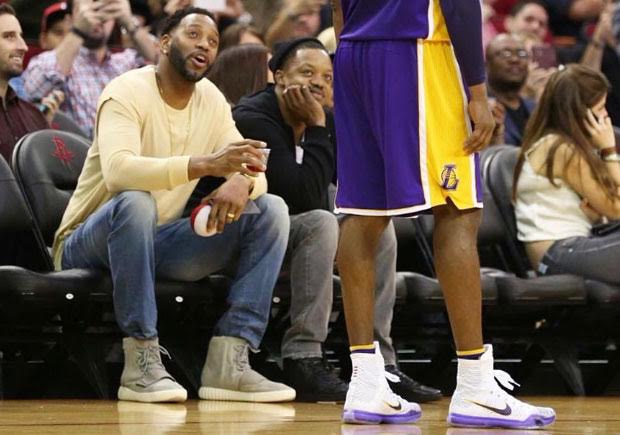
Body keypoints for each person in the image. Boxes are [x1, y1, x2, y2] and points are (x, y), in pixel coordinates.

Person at [331, 0, 555, 428]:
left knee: (363, 213)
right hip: (419, 52)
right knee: (457, 210)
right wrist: (476, 92)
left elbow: (337, 8)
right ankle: (474, 384)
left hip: (354, 53)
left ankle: (366, 380)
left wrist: (350, 48)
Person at [53, 7, 295, 404]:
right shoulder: (126, 90)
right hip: (85, 243)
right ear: (164, 43)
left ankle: (229, 360)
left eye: (213, 41)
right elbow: (118, 173)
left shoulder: (211, 100)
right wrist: (207, 165)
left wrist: (241, 180)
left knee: (270, 210)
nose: (205, 45)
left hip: (156, 241)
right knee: (134, 200)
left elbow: (255, 168)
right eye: (194, 35)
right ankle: (142, 360)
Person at [232, 37, 442, 403]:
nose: (319, 84)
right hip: (248, 238)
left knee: (378, 226)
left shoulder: (326, 120)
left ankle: (378, 362)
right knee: (321, 221)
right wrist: (316, 125)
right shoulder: (253, 117)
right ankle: (303, 355)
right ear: (279, 77)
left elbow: (357, 183)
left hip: (300, 240)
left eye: (328, 78)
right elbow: (301, 196)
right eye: (307, 72)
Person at [514, 65, 620, 283]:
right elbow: (616, 208)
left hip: (575, 246)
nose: (606, 115)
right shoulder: (560, 149)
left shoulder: (558, 144)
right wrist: (609, 151)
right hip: (557, 254)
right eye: (600, 108)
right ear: (580, 112)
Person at [22, 0, 159, 137]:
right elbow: (31, 91)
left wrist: (129, 21)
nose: (97, 16)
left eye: (106, 9)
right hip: (77, 154)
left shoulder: (127, 61)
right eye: (90, 7)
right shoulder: (52, 61)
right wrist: (79, 31)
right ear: (70, 19)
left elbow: (166, 63)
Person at [0, 4, 63, 163]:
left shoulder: (34, 115)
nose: (23, 47)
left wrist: (42, 133)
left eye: (20, 36)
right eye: (9, 36)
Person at [486, 34, 536, 146]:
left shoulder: (535, 107)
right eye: (506, 54)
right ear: (487, 63)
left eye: (522, 54)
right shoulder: (480, 108)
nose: (515, 59)